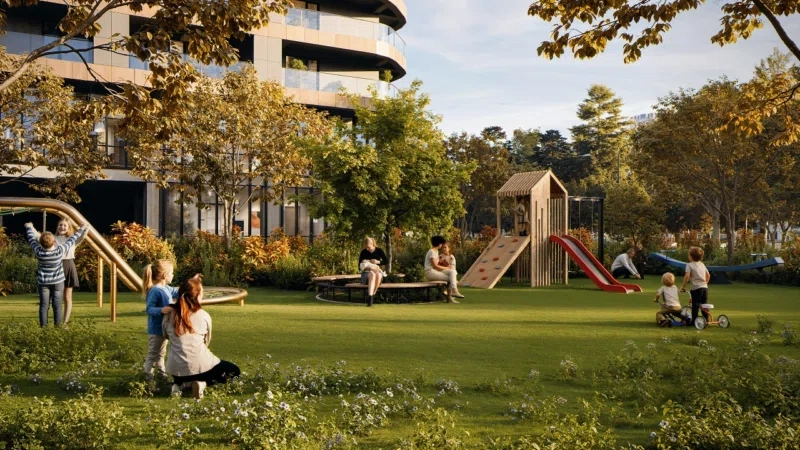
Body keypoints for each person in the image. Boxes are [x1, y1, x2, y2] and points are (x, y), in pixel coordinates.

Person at [163, 275, 240, 399]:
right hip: (201, 366)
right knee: (234, 371)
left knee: (188, 368)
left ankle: (179, 385)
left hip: (175, 369)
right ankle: (201, 383)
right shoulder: (203, 315)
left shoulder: (169, 314)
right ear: (198, 296)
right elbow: (206, 341)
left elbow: (166, 335)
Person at [24, 221, 88, 327]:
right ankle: (58, 327)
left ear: (41, 243)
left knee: (44, 306)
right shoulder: (59, 251)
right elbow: (72, 240)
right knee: (57, 305)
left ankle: (43, 327)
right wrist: (81, 229)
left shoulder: (38, 252)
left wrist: (29, 227)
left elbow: (31, 239)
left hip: (43, 283)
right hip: (58, 283)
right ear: (54, 242)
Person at [142, 260, 178, 379]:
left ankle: (162, 377)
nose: (173, 275)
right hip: (156, 329)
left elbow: (177, 291)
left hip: (164, 328)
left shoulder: (166, 288)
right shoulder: (155, 290)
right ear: (164, 275)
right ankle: (147, 380)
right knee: (153, 355)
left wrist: (191, 287)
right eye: (171, 273)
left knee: (161, 354)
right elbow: (149, 309)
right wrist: (161, 310)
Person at [424, 235, 464, 303]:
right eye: (442, 244)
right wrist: (447, 267)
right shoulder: (431, 251)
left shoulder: (436, 252)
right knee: (452, 278)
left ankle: (454, 291)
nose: (442, 246)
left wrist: (446, 266)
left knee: (452, 272)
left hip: (434, 271)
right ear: (439, 244)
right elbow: (435, 266)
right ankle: (450, 296)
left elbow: (438, 265)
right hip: (430, 272)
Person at [680, 246, 711, 326]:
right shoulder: (702, 264)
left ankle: (694, 321)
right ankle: (706, 320)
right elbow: (708, 275)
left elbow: (687, 276)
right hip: (704, 288)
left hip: (696, 288)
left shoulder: (689, 265)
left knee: (695, 305)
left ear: (691, 256)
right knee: (704, 304)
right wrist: (705, 283)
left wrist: (683, 286)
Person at [358, 237, 388, 307]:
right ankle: (370, 298)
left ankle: (372, 295)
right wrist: (368, 267)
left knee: (378, 275)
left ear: (372, 244)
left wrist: (378, 262)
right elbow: (359, 266)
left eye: (368, 247)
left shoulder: (379, 250)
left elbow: (386, 261)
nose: (367, 249)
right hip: (366, 273)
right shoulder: (363, 252)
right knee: (372, 274)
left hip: (377, 271)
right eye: (366, 247)